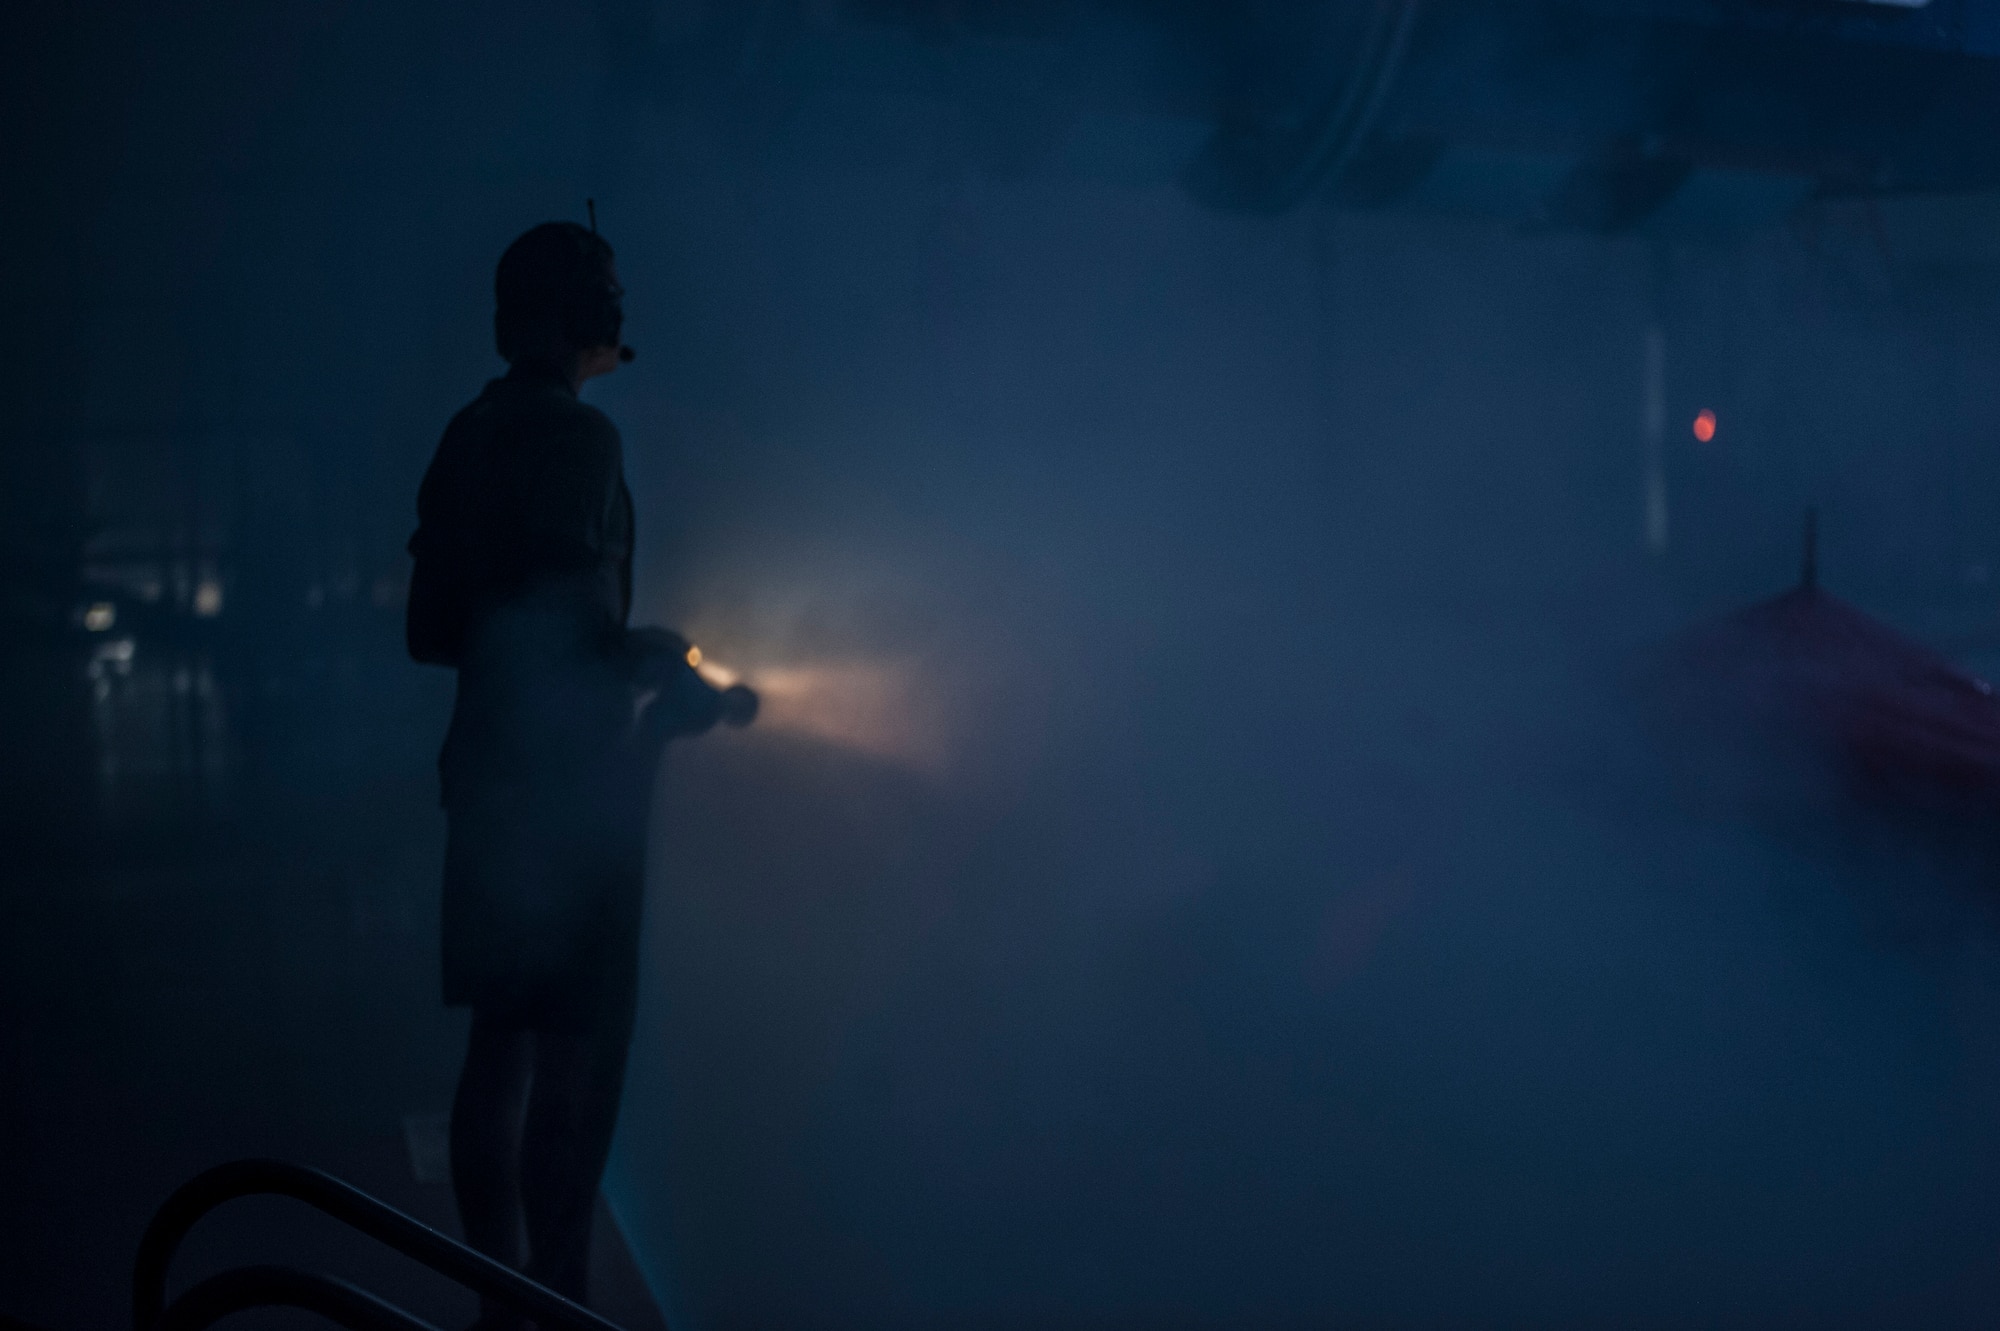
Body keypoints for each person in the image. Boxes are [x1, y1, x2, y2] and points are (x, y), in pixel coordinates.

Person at [405, 217, 755, 1320]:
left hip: (488, 782)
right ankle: (557, 1292)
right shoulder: (581, 444)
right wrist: (647, 660)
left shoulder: (465, 433)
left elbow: (431, 628)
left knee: (496, 1046)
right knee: (571, 1053)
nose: (619, 309)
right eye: (606, 288)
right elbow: (564, 621)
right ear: (573, 311)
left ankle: (496, 1293)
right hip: (569, 795)